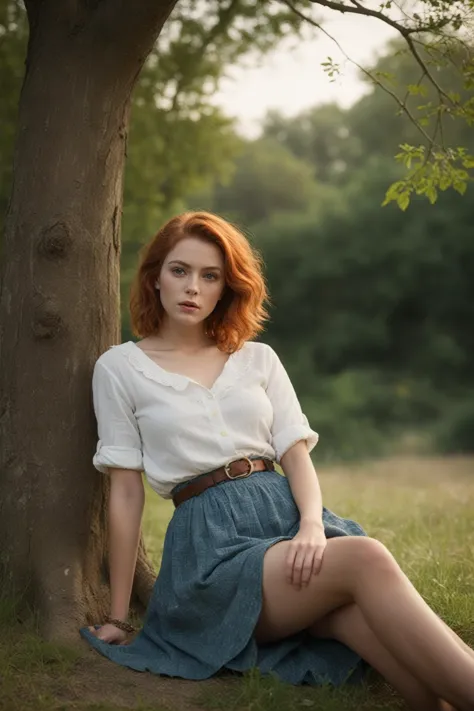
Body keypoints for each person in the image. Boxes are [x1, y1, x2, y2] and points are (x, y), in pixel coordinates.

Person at [80, 211, 474, 711]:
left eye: (210, 276)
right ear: (155, 275)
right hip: (212, 549)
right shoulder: (120, 368)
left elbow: (295, 452)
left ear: (226, 288)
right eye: (179, 271)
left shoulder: (258, 358)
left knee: (401, 667)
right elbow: (126, 490)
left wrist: (311, 524)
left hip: (286, 514)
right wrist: (118, 616)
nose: (192, 288)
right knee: (367, 556)